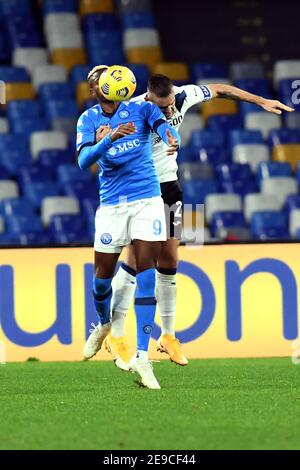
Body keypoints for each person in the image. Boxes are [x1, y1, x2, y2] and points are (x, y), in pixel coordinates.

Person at [97, 73, 294, 370]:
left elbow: (222, 89)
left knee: (171, 257)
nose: (167, 113)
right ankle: (115, 330)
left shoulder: (184, 95)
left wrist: (261, 100)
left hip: (170, 187)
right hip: (139, 190)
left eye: (169, 107)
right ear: (148, 98)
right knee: (137, 260)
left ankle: (168, 336)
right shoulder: (134, 108)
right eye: (160, 108)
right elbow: (103, 147)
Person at [77, 65, 181, 389]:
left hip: (154, 196)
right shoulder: (88, 120)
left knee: (153, 268)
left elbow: (165, 123)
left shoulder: (145, 106)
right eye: (96, 82)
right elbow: (83, 162)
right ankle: (105, 324)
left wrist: (170, 136)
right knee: (100, 280)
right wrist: (108, 141)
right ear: (95, 89)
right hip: (111, 204)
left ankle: (144, 354)